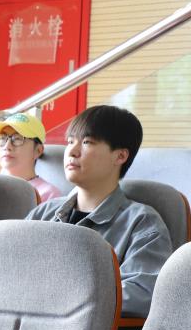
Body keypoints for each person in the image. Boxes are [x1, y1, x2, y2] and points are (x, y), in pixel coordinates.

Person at [27, 105, 172, 318]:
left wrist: (60, 298)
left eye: (87, 142)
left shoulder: (142, 223)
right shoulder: (43, 214)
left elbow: (141, 293)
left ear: (120, 156)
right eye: (70, 141)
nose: (72, 151)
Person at [0, 112, 61, 203]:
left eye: (17, 139)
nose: (7, 146)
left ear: (38, 150)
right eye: (2, 138)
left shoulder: (49, 195)